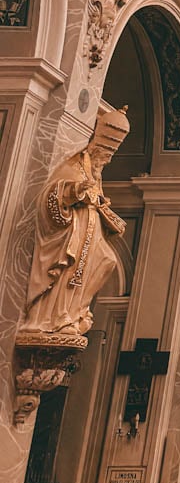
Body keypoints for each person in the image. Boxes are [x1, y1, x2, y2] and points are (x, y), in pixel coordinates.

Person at [23, 105, 129, 341]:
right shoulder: (73, 166)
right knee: (69, 268)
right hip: (73, 231)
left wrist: (103, 206)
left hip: (91, 231)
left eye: (110, 156)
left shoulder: (96, 172)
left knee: (107, 261)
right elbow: (55, 195)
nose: (107, 160)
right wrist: (76, 190)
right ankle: (53, 317)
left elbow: (97, 197)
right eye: (105, 154)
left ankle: (76, 312)